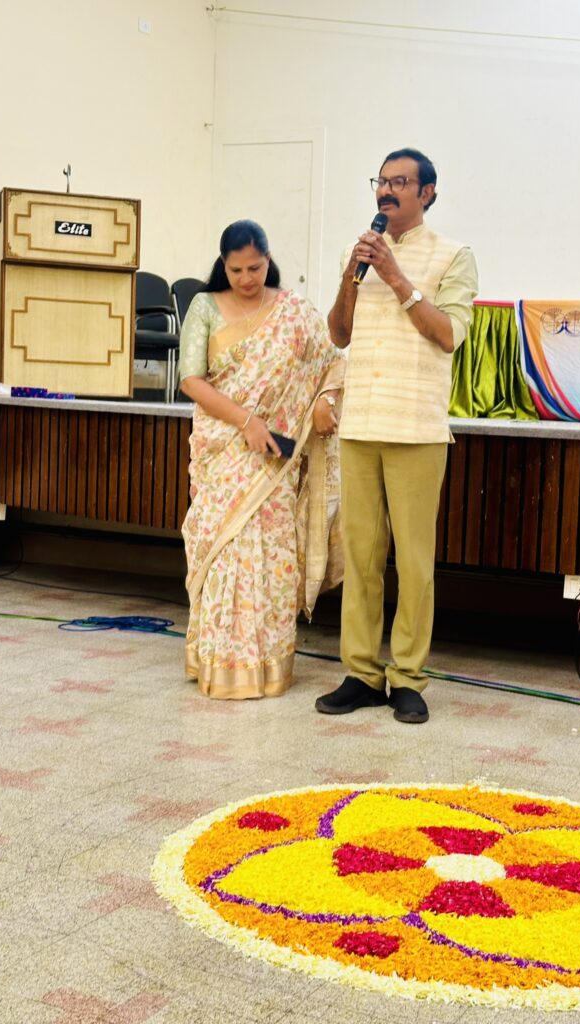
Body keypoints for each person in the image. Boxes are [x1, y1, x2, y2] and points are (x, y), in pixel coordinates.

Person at [315, 147, 478, 724]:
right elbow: (338, 335)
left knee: (413, 563)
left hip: (415, 427)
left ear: (427, 192)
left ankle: (408, 677)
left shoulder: (454, 255)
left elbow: (449, 334)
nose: (386, 191)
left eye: (400, 182)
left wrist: (396, 277)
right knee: (360, 556)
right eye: (381, 182)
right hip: (360, 423)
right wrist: (350, 279)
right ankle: (361, 673)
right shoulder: (355, 253)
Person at [179, 220, 344, 699]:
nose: (246, 278)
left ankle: (268, 666)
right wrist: (246, 421)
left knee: (270, 556)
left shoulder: (294, 312)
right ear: (223, 266)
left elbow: (331, 361)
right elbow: (191, 380)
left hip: (276, 458)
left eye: (254, 268)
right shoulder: (205, 307)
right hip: (225, 448)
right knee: (224, 552)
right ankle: (220, 663)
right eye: (236, 270)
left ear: (268, 260)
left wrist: (323, 401)